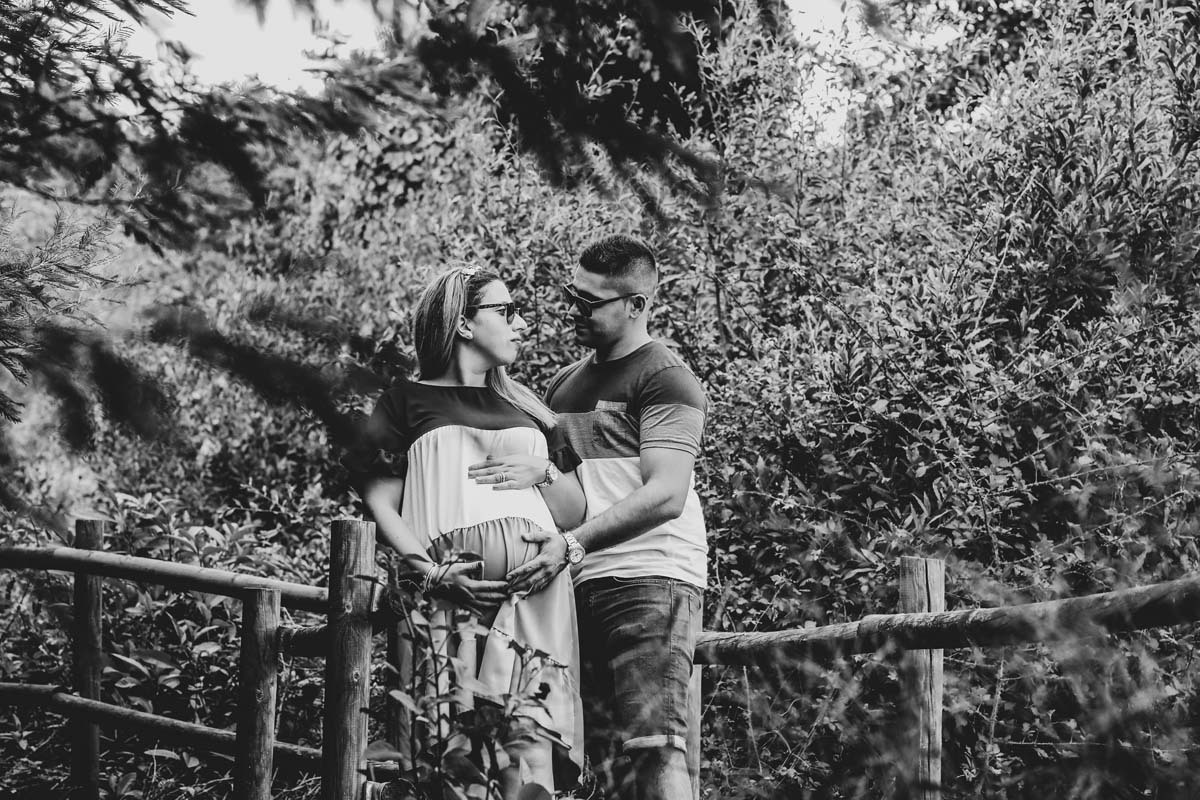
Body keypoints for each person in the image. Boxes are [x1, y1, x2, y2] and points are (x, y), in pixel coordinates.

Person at [469, 235, 708, 800]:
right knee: (601, 768)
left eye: (589, 302)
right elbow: (566, 494)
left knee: (657, 751)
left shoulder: (665, 378)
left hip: (651, 578)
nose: (573, 310)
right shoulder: (563, 386)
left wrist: (572, 545)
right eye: (571, 295)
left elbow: (666, 494)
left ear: (636, 304)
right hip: (576, 584)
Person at [351, 265, 587, 798]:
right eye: (507, 311)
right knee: (453, 751)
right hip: (449, 598)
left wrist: (544, 471)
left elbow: (573, 511)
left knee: (528, 741)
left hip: (535, 594)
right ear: (462, 323)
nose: (521, 323)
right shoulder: (405, 401)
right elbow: (382, 504)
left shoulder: (530, 408)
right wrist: (429, 572)